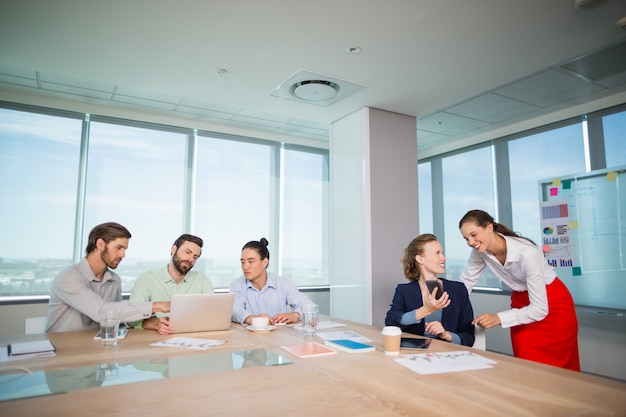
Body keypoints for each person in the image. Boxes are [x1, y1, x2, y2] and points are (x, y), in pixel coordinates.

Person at [458, 209, 580, 371]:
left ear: (489, 228)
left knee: (561, 369)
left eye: (474, 235)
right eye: (466, 238)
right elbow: (466, 282)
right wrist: (443, 305)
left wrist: (498, 318)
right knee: (526, 362)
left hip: (553, 305)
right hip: (521, 302)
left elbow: (540, 309)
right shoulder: (480, 252)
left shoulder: (528, 253)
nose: (471, 242)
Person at [46, 222, 170, 332]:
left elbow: (117, 320)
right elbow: (102, 312)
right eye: (119, 248)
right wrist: (157, 306)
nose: (123, 254)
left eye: (125, 249)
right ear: (100, 244)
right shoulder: (68, 277)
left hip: (98, 348)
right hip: (62, 351)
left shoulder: (114, 280)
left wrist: (152, 323)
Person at [385, 234, 475, 346]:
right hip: (415, 355)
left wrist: (446, 334)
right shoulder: (404, 290)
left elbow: (469, 337)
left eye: (442, 253)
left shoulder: (458, 290)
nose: (444, 258)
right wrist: (426, 310)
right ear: (420, 259)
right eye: (437, 253)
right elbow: (391, 322)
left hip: (448, 353)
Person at [129, 234, 214, 334]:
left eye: (195, 257)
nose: (190, 259)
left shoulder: (202, 281)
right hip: (157, 341)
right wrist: (155, 323)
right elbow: (130, 317)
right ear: (174, 249)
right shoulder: (147, 279)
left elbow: (211, 316)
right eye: (187, 252)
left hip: (194, 338)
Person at [230, 238, 313, 325]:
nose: (245, 267)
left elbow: (308, 305)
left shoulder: (282, 283)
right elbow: (234, 310)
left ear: (264, 262)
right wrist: (251, 318)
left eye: (250, 261)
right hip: (249, 336)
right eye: (243, 262)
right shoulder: (237, 285)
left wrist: (295, 315)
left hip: (279, 335)